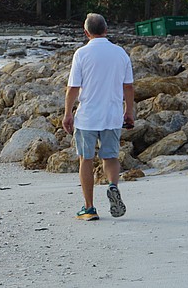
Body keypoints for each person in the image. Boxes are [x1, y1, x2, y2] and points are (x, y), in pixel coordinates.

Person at [62, 13, 135, 221]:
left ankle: (89, 208)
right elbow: (128, 86)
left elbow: (73, 87)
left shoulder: (82, 54)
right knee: (110, 157)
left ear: (86, 32)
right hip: (112, 115)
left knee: (86, 159)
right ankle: (112, 185)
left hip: (88, 116)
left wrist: (68, 113)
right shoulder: (120, 53)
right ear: (106, 30)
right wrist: (128, 111)